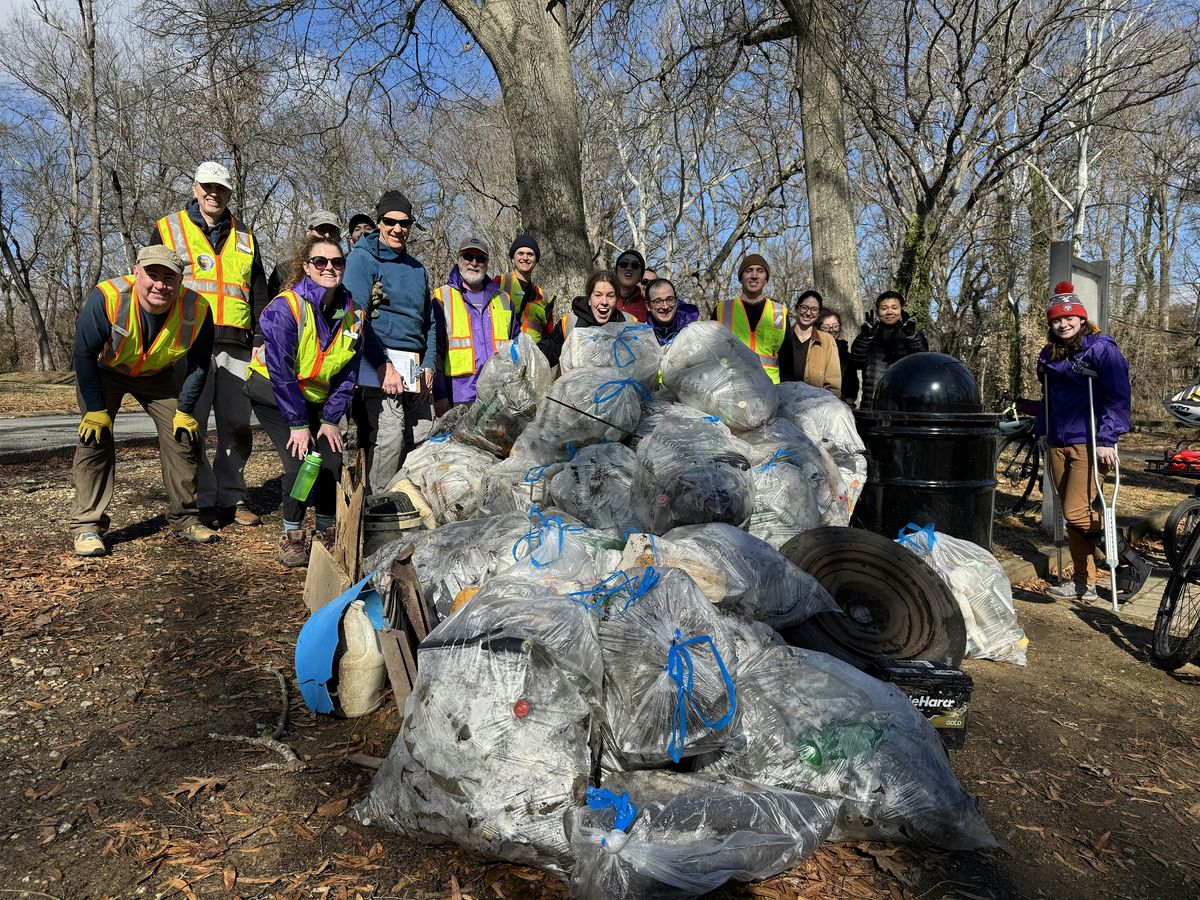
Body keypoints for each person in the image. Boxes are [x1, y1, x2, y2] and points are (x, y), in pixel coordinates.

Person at [70, 245, 218, 556]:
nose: (159, 285)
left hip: (158, 375)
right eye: (152, 275)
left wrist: (186, 410)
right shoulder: (108, 297)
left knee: (184, 437)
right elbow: (82, 355)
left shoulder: (198, 308)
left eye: (169, 278)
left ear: (180, 282)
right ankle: (87, 526)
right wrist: (96, 410)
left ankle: (186, 519)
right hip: (105, 370)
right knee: (94, 438)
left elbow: (199, 363)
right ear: (137, 272)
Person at [152, 161, 268, 528]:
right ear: (194, 188)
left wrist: (261, 340)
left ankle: (232, 497)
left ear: (230, 193)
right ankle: (201, 500)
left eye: (221, 188)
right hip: (188, 345)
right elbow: (151, 282)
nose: (213, 193)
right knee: (192, 423)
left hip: (237, 344)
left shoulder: (246, 236)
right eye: (207, 187)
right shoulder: (167, 229)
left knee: (236, 424)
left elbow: (260, 293)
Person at [247, 236, 365, 567]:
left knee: (330, 461)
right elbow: (281, 370)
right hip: (273, 392)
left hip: (317, 397)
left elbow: (347, 373)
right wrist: (298, 425)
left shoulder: (355, 315)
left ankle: (327, 531)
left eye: (337, 262)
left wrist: (330, 419)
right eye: (321, 262)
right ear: (306, 266)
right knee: (300, 461)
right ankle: (292, 534)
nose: (329, 268)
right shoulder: (286, 307)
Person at [1037, 283, 1134, 600]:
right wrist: (1042, 430)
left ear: (1081, 319)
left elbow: (1118, 398)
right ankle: (1084, 582)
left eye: (1069, 318)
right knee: (1071, 515)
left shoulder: (1102, 349)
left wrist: (1108, 438)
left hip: (1090, 442)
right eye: (1056, 320)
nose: (1063, 324)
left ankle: (1130, 557)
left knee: (1077, 513)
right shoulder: (1049, 354)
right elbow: (1047, 398)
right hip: (1057, 441)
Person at [342, 190, 436, 494]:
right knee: (390, 434)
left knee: (423, 435)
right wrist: (382, 366)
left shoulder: (417, 269)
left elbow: (430, 323)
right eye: (390, 221)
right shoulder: (361, 259)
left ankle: (411, 501)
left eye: (404, 222)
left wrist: (430, 365)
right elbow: (352, 318)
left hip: (414, 366)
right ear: (379, 221)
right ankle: (378, 506)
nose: (398, 228)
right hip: (378, 363)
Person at [432, 237, 515, 414]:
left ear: (487, 263)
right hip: (458, 396)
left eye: (480, 259)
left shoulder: (504, 299)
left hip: (498, 395)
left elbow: (516, 349)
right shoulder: (441, 297)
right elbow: (434, 351)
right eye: (468, 257)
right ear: (459, 259)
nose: (474, 263)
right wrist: (440, 394)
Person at [713, 252, 788, 383]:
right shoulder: (722, 310)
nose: (754, 275)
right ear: (741, 278)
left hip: (770, 389)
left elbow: (788, 360)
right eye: (749, 270)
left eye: (760, 271)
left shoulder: (779, 313)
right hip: (732, 386)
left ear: (766, 279)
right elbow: (710, 352)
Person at [849, 290, 928, 408]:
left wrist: (911, 337)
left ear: (901, 310)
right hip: (872, 403)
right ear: (878, 311)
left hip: (904, 404)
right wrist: (865, 338)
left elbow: (922, 362)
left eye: (894, 308)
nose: (889, 312)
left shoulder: (911, 335)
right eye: (884, 308)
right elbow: (856, 361)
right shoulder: (869, 335)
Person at [540, 270, 625, 367]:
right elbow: (544, 354)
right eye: (598, 295)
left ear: (616, 300)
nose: (604, 302)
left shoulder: (627, 324)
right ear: (589, 299)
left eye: (610, 296)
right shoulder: (570, 324)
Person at [266, 210, 341, 299]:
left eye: (333, 231)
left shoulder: (343, 270)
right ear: (308, 233)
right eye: (321, 230)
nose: (327, 235)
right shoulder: (283, 271)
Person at [779, 289, 841, 392]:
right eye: (804, 308)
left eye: (814, 309)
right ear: (796, 309)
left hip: (815, 405)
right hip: (782, 401)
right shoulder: (782, 336)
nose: (808, 313)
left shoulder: (827, 341)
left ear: (819, 313)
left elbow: (833, 386)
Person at [492, 234, 550, 343]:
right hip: (504, 355)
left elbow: (548, 334)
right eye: (520, 253)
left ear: (536, 260)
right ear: (513, 259)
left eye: (530, 254)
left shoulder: (544, 297)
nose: (525, 258)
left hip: (533, 357)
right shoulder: (498, 283)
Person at [817, 310, 860, 405]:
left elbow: (852, 386)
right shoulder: (813, 351)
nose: (831, 330)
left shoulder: (845, 355)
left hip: (842, 406)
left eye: (835, 326)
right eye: (826, 327)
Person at [645, 278, 699, 345]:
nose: (665, 307)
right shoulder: (642, 335)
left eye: (670, 299)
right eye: (658, 301)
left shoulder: (694, 329)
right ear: (648, 306)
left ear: (676, 302)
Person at [613, 248, 649, 322]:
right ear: (615, 271)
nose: (629, 268)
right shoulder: (602, 299)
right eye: (624, 264)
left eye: (635, 265)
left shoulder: (647, 307)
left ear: (640, 277)